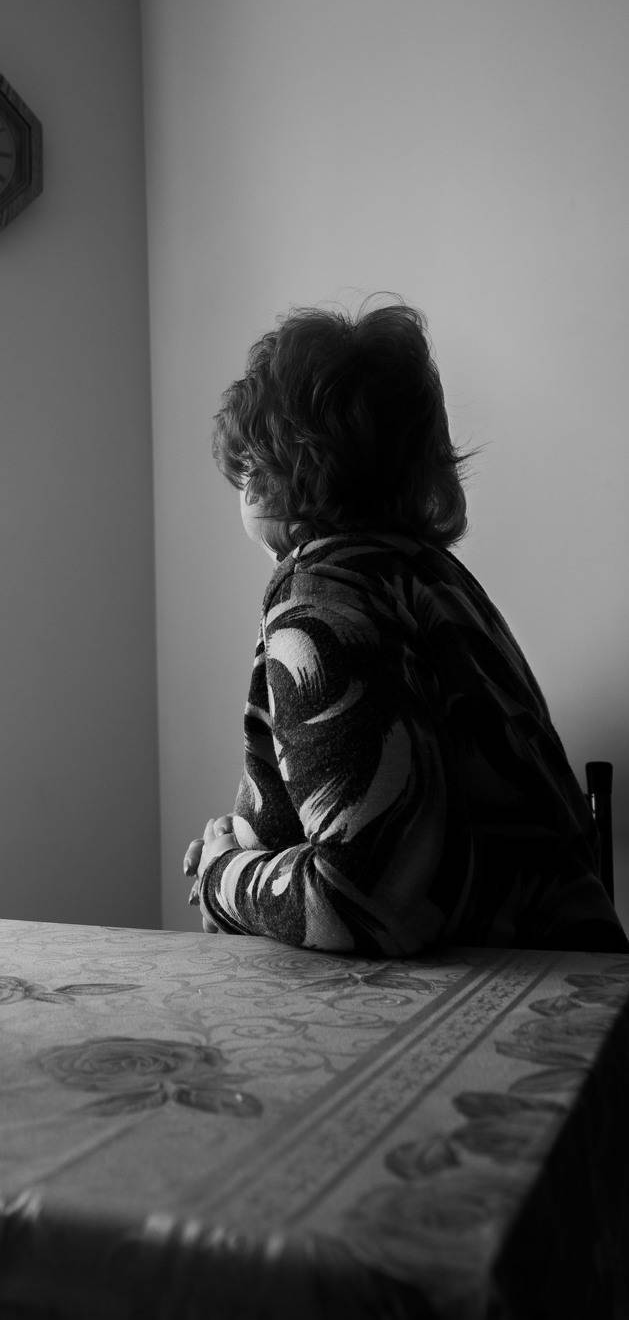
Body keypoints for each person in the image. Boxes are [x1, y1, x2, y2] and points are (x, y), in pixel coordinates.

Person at [184, 300, 627, 956]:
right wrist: (247, 854)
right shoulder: (427, 578)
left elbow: (370, 901)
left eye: (250, 458)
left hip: (505, 994)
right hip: (583, 985)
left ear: (271, 466)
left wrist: (223, 877)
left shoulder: (320, 593)